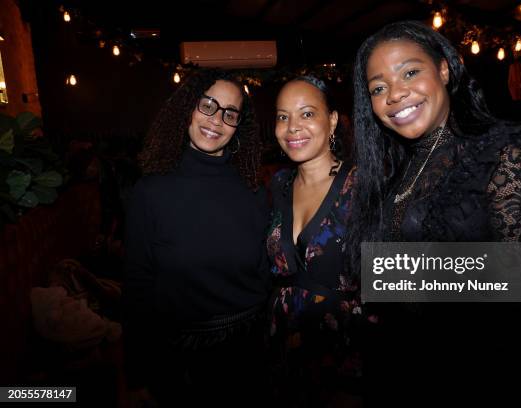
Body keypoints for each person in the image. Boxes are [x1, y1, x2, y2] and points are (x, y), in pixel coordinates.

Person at [348, 21, 521, 404]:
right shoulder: (397, 169)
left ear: (445, 70)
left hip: (480, 376)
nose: (395, 94)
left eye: (410, 72)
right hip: (401, 370)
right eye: (378, 88)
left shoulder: (501, 151)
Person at [123, 69, 270, 406]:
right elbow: (136, 287)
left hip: (248, 354)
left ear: (238, 127)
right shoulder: (150, 192)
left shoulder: (255, 192)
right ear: (187, 108)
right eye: (207, 106)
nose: (216, 120)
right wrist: (137, 372)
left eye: (229, 113)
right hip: (178, 360)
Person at [266, 76, 362, 405]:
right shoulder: (278, 185)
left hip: (344, 354)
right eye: (282, 116)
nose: (292, 127)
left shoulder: (361, 186)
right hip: (283, 349)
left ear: (332, 120)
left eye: (307, 114)